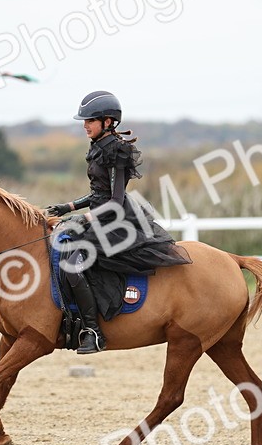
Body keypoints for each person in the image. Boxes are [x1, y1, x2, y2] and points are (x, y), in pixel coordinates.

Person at [44, 91, 191, 354]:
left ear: (108, 121)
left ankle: (93, 331)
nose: (85, 125)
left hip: (118, 222)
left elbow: (114, 201)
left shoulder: (117, 150)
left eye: (90, 120)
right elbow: (98, 194)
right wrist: (68, 206)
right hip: (102, 216)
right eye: (84, 120)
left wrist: (82, 217)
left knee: (72, 264)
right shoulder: (98, 147)